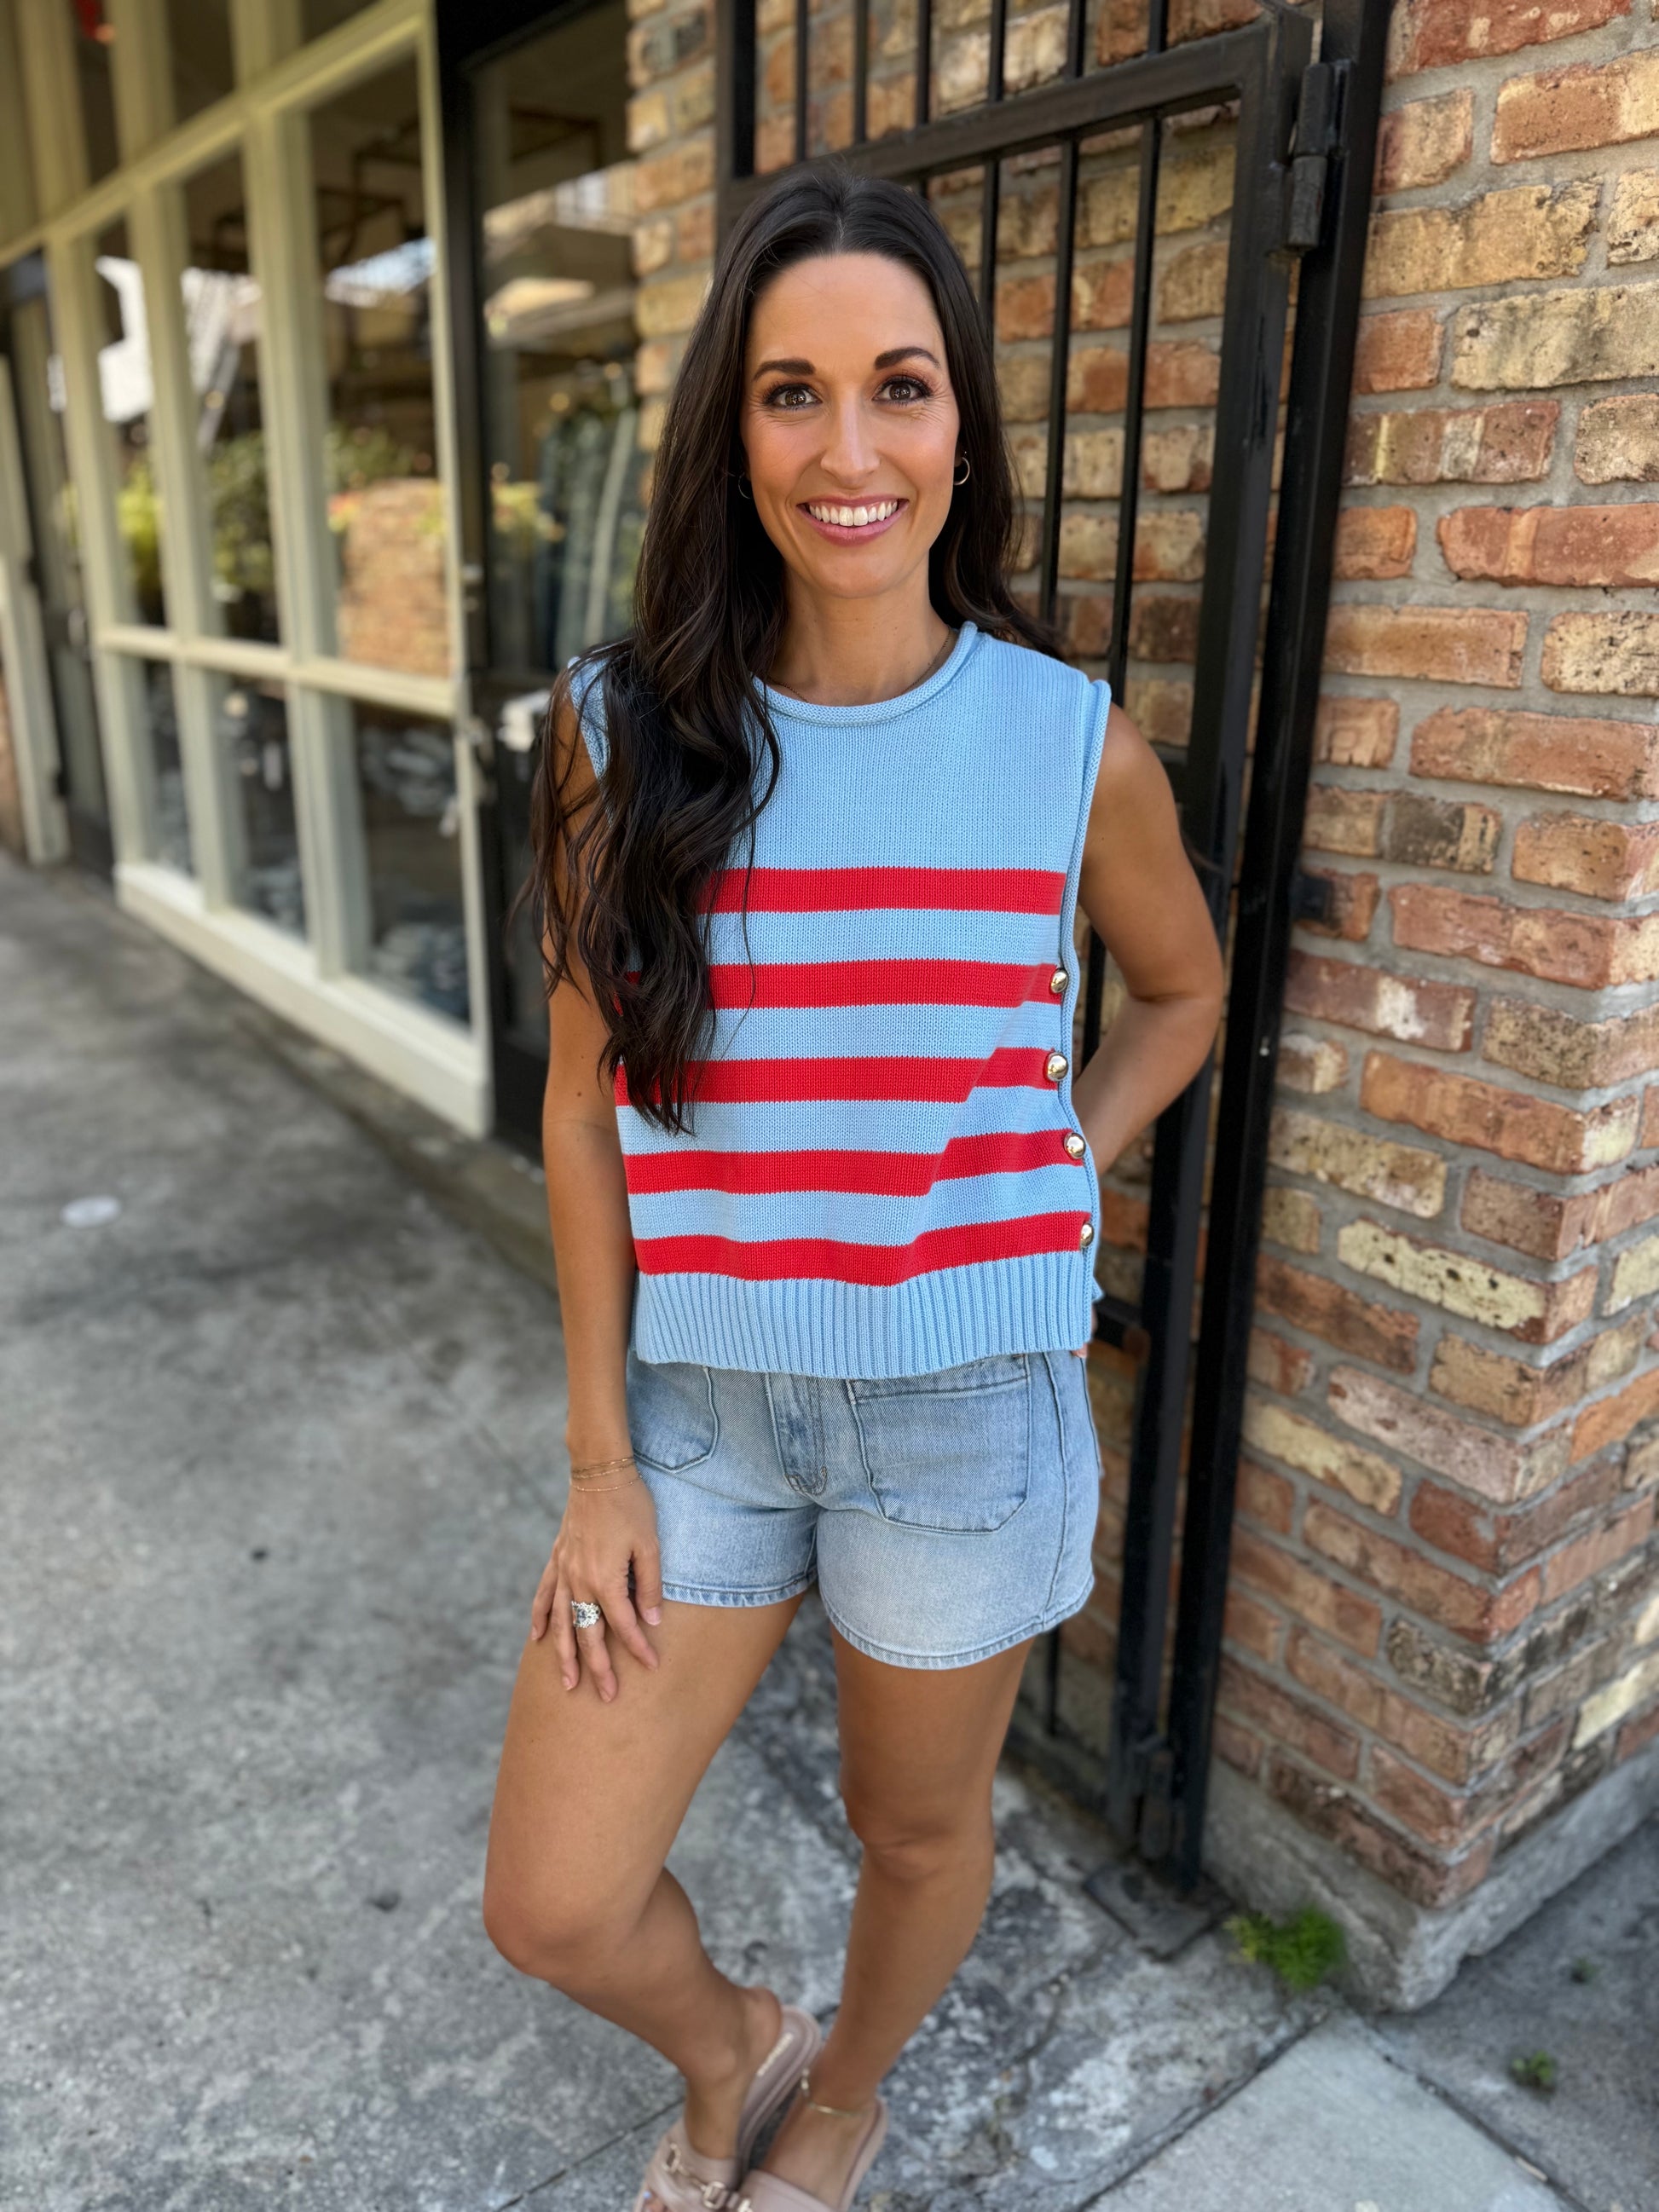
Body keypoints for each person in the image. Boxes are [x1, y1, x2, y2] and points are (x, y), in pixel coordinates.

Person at [482, 164, 1225, 2212]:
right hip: (699, 1410)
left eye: (898, 385)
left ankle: (840, 2101)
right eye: (790, 392)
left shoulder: (1065, 747)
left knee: (915, 1831)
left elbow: (1181, 993)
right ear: (734, 432)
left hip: (962, 1413)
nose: (848, 448)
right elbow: (579, 1105)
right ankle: (735, 2037)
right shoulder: (624, 734)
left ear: (959, 423)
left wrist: (1049, 1158)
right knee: (553, 1896)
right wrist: (598, 1457)